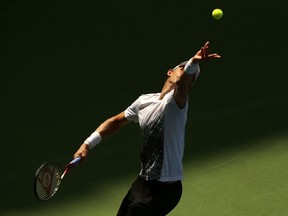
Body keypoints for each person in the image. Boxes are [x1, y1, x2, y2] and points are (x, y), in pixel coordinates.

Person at [73, 41, 221, 216]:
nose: (186, 77)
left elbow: (182, 84)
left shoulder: (176, 104)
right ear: (170, 72)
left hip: (166, 189)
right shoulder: (144, 101)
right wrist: (87, 144)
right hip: (143, 182)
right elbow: (115, 121)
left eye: (191, 79)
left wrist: (193, 63)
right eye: (183, 70)